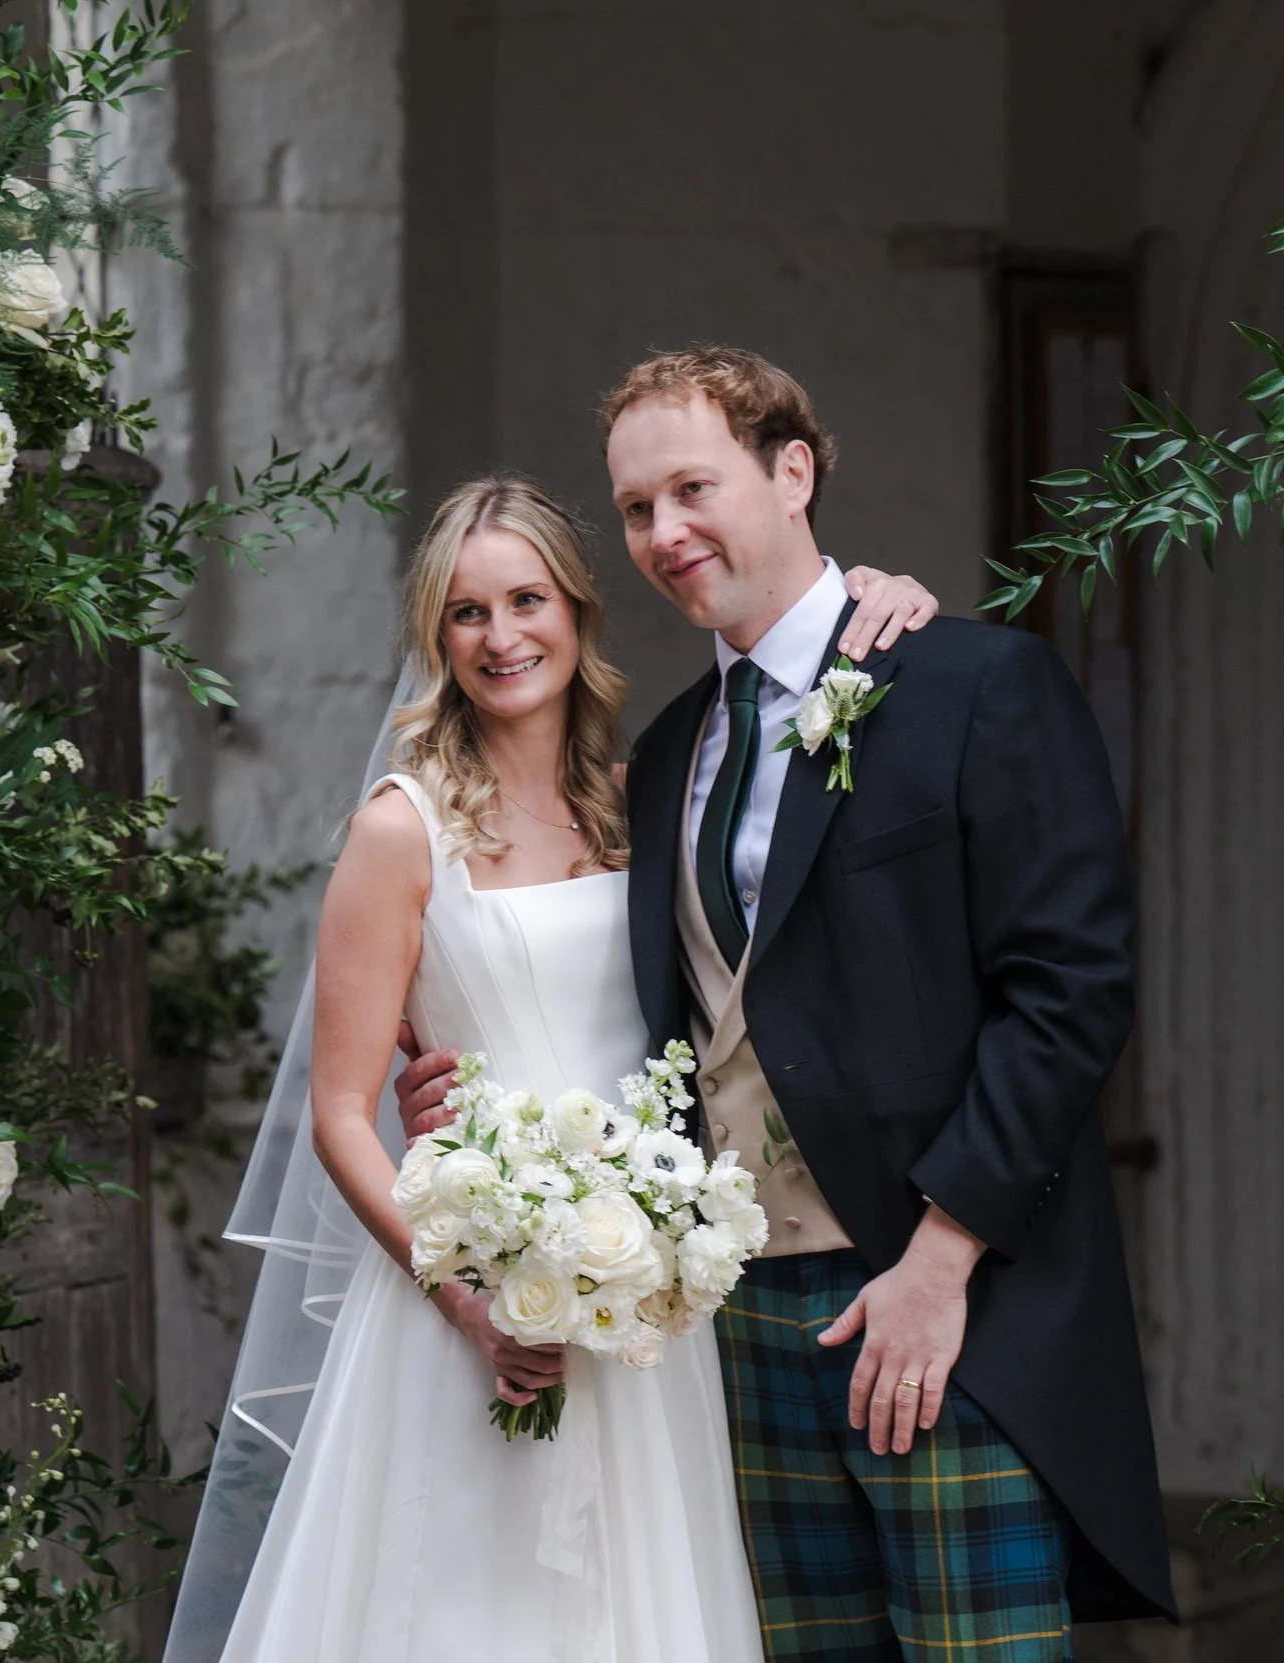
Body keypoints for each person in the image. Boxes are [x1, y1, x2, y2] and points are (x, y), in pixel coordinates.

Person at [397, 347, 1172, 1660]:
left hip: (945, 1305)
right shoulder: (660, 764)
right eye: (637, 508)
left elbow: (1070, 992)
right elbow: (637, 1013)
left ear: (792, 469)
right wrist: (471, 1097)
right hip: (734, 1321)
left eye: (693, 486)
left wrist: (941, 1258)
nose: (664, 531)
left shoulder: (977, 686)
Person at [213, 472, 940, 1662]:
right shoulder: (401, 830)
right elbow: (341, 1113)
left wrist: (879, 595)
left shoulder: (643, 799)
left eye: (526, 600)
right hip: (480, 1312)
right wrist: (470, 1303)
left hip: (651, 1314)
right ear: (435, 639)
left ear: (579, 612)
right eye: (466, 613)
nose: (501, 637)